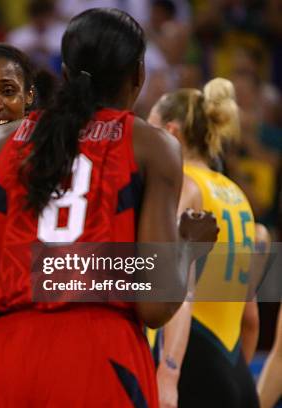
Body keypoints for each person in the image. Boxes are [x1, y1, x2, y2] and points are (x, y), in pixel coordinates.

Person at [0, 8, 217, 406]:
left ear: (65, 71)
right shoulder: (151, 145)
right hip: (99, 354)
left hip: (7, 358)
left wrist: (24, 284)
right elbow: (154, 307)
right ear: (138, 74)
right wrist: (188, 248)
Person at [148, 78, 259, 408]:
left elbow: (178, 287)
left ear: (170, 132)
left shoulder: (184, 186)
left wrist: (168, 374)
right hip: (234, 368)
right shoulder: (237, 194)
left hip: (187, 363)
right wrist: (232, 376)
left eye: (151, 130)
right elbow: (250, 317)